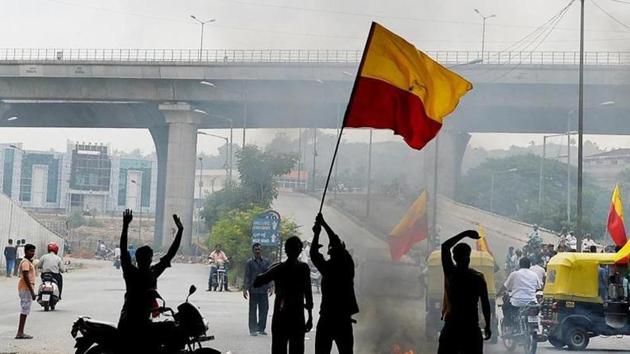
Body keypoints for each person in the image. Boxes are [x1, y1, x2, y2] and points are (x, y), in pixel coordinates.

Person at [117, 209, 183, 352]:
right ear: (149, 259)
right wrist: (180, 230)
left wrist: (126, 225)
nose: (149, 260)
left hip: (135, 321)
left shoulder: (133, 271)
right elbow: (170, 254)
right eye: (149, 257)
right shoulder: (149, 273)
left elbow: (123, 250)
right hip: (133, 324)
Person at [254, 236, 313, 354]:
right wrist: (310, 317)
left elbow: (257, 282)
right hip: (297, 316)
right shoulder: (304, 268)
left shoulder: (279, 268)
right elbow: (308, 294)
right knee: (297, 349)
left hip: (281, 315)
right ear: (300, 250)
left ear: (286, 250)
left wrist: (272, 268)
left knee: (278, 348)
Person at [310, 213, 359, 354]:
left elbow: (314, 254)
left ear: (329, 252)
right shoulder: (348, 265)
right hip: (343, 320)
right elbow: (335, 240)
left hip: (327, 318)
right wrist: (323, 224)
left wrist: (316, 233)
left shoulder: (328, 269)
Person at [438, 230, 491, 354]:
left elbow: (445, 246)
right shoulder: (478, 277)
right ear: (468, 257)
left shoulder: (451, 273)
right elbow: (485, 304)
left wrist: (465, 234)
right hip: (471, 328)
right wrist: (487, 325)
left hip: (452, 327)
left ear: (455, 257)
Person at [499, 257, 542, 330]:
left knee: (505, 306)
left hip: (517, 302)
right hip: (531, 303)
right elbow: (539, 287)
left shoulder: (514, 274)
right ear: (529, 265)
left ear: (520, 265)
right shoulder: (534, 275)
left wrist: (498, 293)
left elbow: (505, 286)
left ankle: (509, 324)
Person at [243, 243, 273, 336]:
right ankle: (253, 329)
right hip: (253, 289)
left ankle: (261, 329)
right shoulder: (249, 262)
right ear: (253, 251)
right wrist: (245, 289)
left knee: (264, 309)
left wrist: (271, 286)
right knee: (252, 310)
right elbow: (247, 276)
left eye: (259, 249)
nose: (257, 251)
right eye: (255, 249)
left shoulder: (266, 262)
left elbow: (270, 274)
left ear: (261, 250)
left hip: (263, 289)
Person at [15, 243, 36, 339]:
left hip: (26, 288)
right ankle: (20, 332)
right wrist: (32, 291)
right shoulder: (25, 263)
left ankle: (21, 332)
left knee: (25, 309)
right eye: (30, 251)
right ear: (25, 251)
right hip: (25, 288)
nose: (32, 253)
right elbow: (26, 277)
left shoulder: (28, 261)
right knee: (25, 309)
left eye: (33, 251)